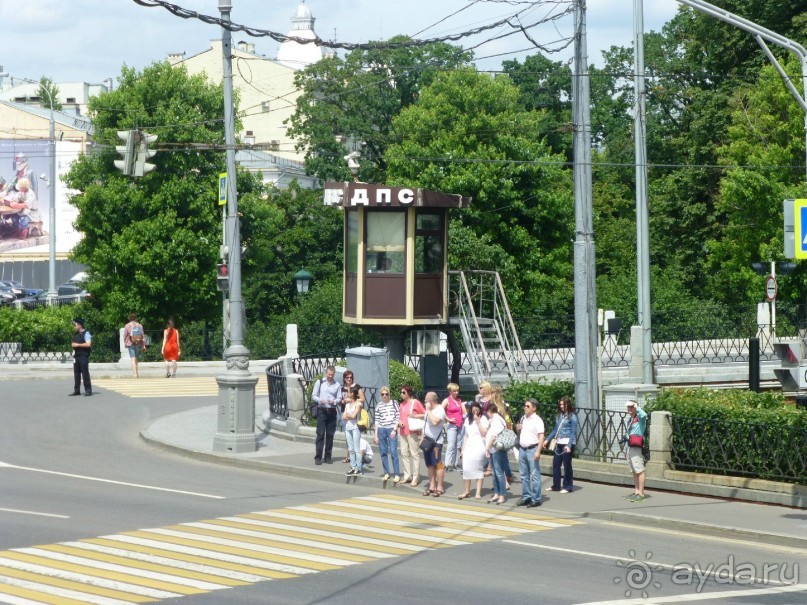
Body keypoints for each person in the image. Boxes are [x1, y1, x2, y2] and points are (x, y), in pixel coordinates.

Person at [544, 395, 578, 494]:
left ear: (568, 404)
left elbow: (573, 432)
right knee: (556, 464)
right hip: (559, 442)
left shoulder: (572, 417)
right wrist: (547, 439)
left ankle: (568, 486)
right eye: (560, 405)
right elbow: (555, 430)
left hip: (567, 442)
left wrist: (569, 445)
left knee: (567, 465)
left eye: (563, 405)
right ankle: (556, 485)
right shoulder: (559, 415)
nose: (561, 406)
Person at [517, 398, 545, 507]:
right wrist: (519, 428)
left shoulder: (537, 420)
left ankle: (536, 499)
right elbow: (523, 431)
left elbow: (541, 435)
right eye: (525, 405)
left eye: (528, 406)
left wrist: (538, 451)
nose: (525, 407)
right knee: (524, 475)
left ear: (534, 408)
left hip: (532, 449)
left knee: (534, 475)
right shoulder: (523, 418)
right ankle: (526, 497)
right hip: (522, 449)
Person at [312, 365, 342, 465]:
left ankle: (328, 456)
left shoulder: (337, 385)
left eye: (332, 375)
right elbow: (313, 396)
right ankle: (318, 457)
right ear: (326, 373)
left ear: (334, 374)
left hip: (332, 411)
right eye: (329, 374)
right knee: (320, 434)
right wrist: (320, 400)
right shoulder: (320, 382)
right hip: (322, 410)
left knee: (330, 435)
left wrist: (335, 401)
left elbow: (339, 398)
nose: (330, 376)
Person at [458, 401, 488, 500]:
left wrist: (478, 421)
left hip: (479, 445)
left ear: (480, 410)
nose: (475, 411)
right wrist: (463, 449)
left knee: (478, 468)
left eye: (477, 409)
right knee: (466, 469)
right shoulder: (468, 420)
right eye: (473, 409)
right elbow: (466, 435)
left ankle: (478, 492)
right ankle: (467, 491)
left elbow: (484, 433)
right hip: (469, 446)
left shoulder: (483, 419)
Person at [397, 385, 425, 487]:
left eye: (403, 392)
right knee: (404, 453)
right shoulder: (401, 404)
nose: (401, 394)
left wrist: (415, 415)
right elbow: (400, 417)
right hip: (402, 431)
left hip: (412, 431)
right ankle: (407, 475)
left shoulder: (415, 402)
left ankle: (415, 477)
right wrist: (399, 422)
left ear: (409, 393)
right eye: (401, 392)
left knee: (414, 454)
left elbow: (425, 413)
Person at [374, 386, 401, 482]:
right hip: (382, 430)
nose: (385, 396)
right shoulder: (378, 406)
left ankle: (397, 474)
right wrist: (376, 435)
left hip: (391, 429)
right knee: (383, 452)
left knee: (393, 451)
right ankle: (386, 472)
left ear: (389, 394)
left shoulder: (394, 403)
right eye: (383, 394)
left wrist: (394, 430)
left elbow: (398, 417)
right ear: (380, 395)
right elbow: (377, 421)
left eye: (386, 394)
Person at [422, 391, 446, 497]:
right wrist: (422, 436)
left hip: (436, 442)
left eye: (426, 401)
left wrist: (428, 410)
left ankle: (440, 486)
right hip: (427, 441)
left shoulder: (440, 409)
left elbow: (435, 422)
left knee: (438, 464)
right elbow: (425, 424)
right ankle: (432, 486)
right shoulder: (428, 410)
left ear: (431, 401)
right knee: (429, 464)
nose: (425, 402)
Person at [485, 402, 508, 505]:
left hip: (497, 449)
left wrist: (487, 448)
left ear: (490, 411)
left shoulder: (497, 420)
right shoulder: (495, 420)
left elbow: (493, 436)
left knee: (499, 472)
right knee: (494, 472)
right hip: (494, 449)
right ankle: (497, 493)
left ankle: (502, 495)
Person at [491, 385, 514, 488]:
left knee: (497, 460)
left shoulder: (494, 407)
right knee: (503, 458)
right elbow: (508, 419)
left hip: (497, 435)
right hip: (505, 434)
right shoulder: (504, 405)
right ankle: (508, 475)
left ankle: (503, 482)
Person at [625, 400, 648, 502]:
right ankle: (636, 491)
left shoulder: (640, 418)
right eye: (628, 407)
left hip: (636, 447)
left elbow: (644, 414)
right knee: (634, 470)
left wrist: (637, 407)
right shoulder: (630, 419)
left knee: (639, 469)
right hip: (630, 447)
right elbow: (627, 435)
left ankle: (641, 493)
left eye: (631, 407)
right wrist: (626, 449)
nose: (629, 409)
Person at [340, 370, 365, 463]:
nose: (349, 379)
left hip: (354, 411)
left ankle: (356, 459)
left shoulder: (356, 387)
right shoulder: (343, 388)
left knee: (355, 436)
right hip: (345, 411)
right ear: (344, 378)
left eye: (350, 377)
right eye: (347, 377)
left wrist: (352, 399)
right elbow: (340, 400)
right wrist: (342, 401)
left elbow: (363, 399)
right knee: (347, 436)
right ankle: (349, 456)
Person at [441, 383, 464, 472]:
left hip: (459, 424)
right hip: (452, 425)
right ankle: (448, 464)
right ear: (450, 391)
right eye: (454, 391)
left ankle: (455, 463)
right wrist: (448, 418)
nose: (456, 393)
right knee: (451, 444)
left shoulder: (459, 400)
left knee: (458, 445)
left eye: (457, 391)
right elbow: (441, 409)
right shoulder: (447, 400)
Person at [343, 385, 363, 476]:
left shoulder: (358, 404)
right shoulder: (347, 405)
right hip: (348, 428)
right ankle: (353, 466)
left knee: (356, 449)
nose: (348, 394)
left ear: (352, 394)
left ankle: (358, 468)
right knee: (350, 449)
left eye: (349, 392)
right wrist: (348, 416)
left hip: (355, 428)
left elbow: (353, 416)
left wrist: (348, 416)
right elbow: (344, 417)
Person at [69, 317, 92, 397]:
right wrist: (73, 345)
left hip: (83, 356)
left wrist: (77, 345)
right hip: (76, 356)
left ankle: (88, 390)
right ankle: (77, 390)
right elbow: (73, 344)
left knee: (85, 373)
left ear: (80, 325)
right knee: (76, 374)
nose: (74, 327)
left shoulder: (86, 333)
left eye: (75, 325)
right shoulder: (75, 334)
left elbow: (88, 344)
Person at [123, 314, 146, 378]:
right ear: (136, 318)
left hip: (130, 343)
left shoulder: (127, 326)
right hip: (137, 343)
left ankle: (135, 373)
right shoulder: (140, 325)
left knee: (133, 359)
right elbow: (143, 336)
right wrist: (143, 345)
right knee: (136, 358)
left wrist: (125, 342)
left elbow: (125, 335)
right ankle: (137, 373)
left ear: (129, 318)